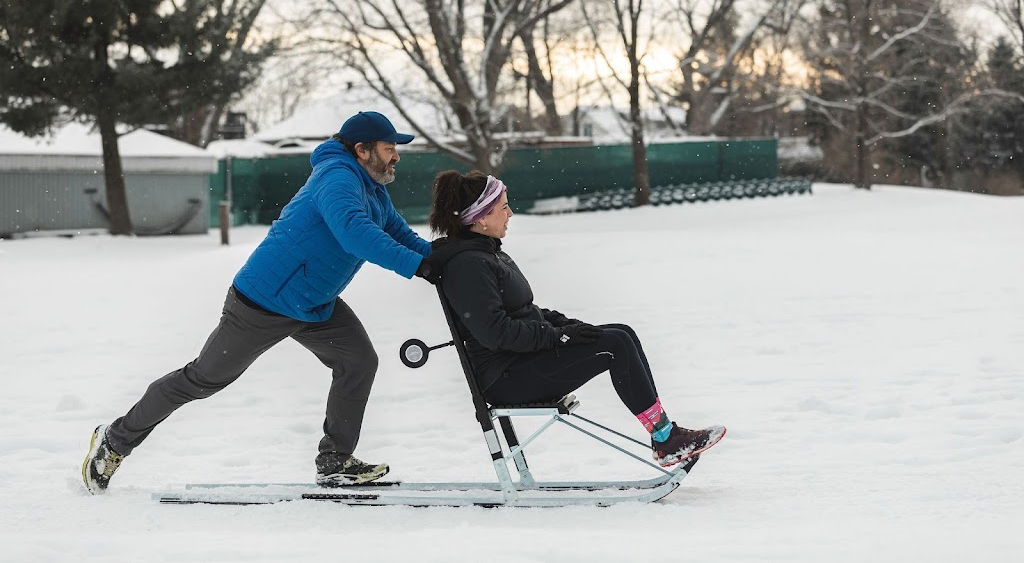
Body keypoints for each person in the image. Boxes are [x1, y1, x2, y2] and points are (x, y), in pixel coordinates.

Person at [82, 111, 439, 494]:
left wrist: (442, 260)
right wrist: (418, 267)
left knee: (358, 361)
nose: (396, 156)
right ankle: (114, 440)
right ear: (362, 150)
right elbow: (355, 233)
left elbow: (396, 231)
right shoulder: (336, 178)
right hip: (263, 302)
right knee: (202, 379)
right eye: (389, 149)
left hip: (315, 303)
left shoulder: (371, 186)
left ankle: (335, 462)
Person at [426, 170, 726, 467]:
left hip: (519, 363)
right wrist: (560, 337)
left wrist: (569, 326)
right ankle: (665, 439)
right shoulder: (469, 265)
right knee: (615, 344)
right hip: (505, 377)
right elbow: (496, 333)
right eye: (504, 207)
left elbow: (527, 311)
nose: (511, 213)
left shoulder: (487, 254)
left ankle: (665, 434)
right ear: (481, 217)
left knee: (621, 332)